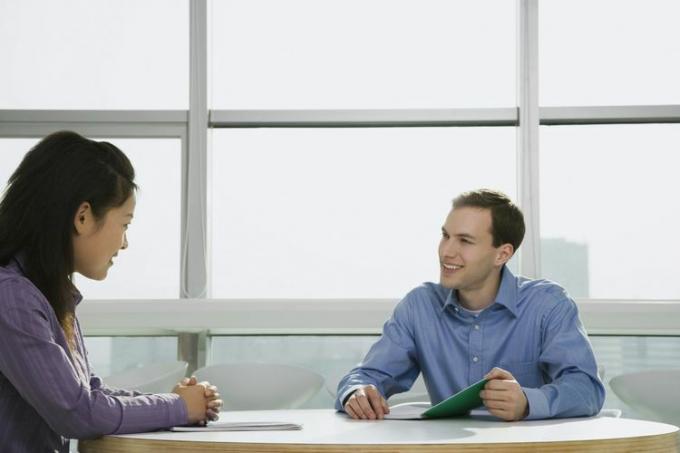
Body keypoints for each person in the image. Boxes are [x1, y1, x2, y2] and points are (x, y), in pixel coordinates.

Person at [0, 131, 222, 452]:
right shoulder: (13, 297)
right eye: (125, 224)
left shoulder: (46, 294)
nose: (125, 243)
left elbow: (90, 394)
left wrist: (174, 401)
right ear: (83, 217)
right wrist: (180, 407)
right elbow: (78, 413)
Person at [336, 189, 605, 421]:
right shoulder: (419, 306)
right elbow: (368, 375)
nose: (446, 251)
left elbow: (586, 389)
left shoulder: (548, 305)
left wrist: (527, 401)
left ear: (502, 254)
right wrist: (357, 392)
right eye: (445, 236)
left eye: (464, 241)